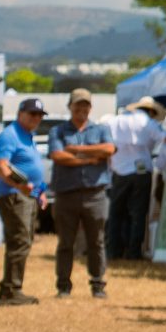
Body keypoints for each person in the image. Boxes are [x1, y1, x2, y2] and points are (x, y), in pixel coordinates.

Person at [44, 90, 116, 299]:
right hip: (67, 193)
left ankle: (97, 284)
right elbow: (58, 155)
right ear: (70, 107)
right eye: (77, 106)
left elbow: (109, 149)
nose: (81, 110)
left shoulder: (101, 129)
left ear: (90, 108)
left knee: (97, 241)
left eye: (85, 106)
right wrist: (90, 159)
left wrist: (76, 149)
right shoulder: (57, 131)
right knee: (66, 242)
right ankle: (64, 285)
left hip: (95, 193)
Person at [0, 100, 51, 305]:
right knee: (20, 240)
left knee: (22, 240)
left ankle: (11, 288)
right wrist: (19, 187)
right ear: (20, 113)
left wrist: (40, 191)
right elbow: (2, 168)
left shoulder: (27, 136)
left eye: (39, 115)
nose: (36, 118)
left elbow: (30, 168)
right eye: (32, 113)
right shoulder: (10, 134)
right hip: (13, 195)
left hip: (26, 195)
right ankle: (11, 290)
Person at [104, 96, 166, 261]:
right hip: (141, 172)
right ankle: (133, 252)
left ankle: (113, 250)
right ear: (152, 111)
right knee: (138, 213)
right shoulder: (149, 123)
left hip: (119, 171)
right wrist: (161, 164)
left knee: (116, 213)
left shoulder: (116, 121)